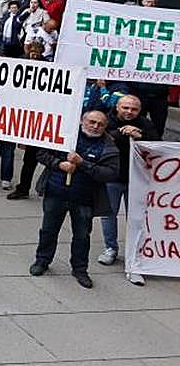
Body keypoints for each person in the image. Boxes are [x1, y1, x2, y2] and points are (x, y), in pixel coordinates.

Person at [30, 110, 120, 289]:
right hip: (55, 193)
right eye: (91, 122)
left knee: (82, 236)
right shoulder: (65, 136)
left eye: (100, 124)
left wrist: (82, 164)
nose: (95, 126)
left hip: (84, 198)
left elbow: (110, 174)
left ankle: (80, 269)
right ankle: (42, 260)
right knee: (48, 230)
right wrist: (59, 164)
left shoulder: (109, 147)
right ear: (81, 121)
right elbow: (41, 154)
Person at [101, 94, 156, 285]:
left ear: (139, 111)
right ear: (117, 107)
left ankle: (135, 255)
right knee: (109, 214)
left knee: (136, 218)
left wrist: (141, 136)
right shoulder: (105, 120)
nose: (129, 112)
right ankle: (110, 248)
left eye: (133, 109)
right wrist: (121, 133)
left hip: (137, 180)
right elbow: (99, 138)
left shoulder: (145, 124)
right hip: (112, 178)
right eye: (125, 108)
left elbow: (157, 143)